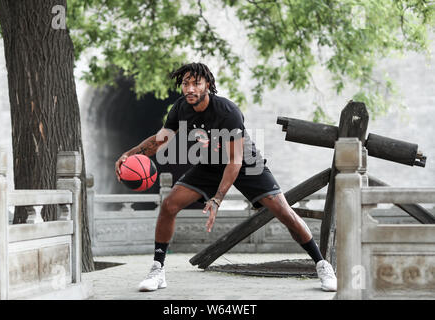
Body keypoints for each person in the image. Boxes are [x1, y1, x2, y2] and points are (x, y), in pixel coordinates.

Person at [115, 62, 337, 292]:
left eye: (196, 83)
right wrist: (129, 154)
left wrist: (218, 198)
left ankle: (322, 264)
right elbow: (160, 139)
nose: (190, 89)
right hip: (210, 164)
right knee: (169, 205)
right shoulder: (181, 108)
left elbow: (235, 161)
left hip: (245, 163)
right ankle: (157, 270)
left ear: (208, 85)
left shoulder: (227, 112)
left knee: (283, 212)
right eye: (185, 84)